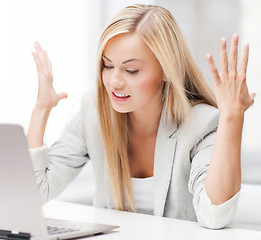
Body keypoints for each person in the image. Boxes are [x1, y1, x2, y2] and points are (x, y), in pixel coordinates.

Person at [27, 4, 255, 229]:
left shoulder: (201, 124)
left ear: (167, 69)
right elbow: (31, 194)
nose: (114, 81)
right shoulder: (94, 112)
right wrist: (41, 109)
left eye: (131, 70)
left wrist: (231, 117)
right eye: (107, 66)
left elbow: (215, 217)